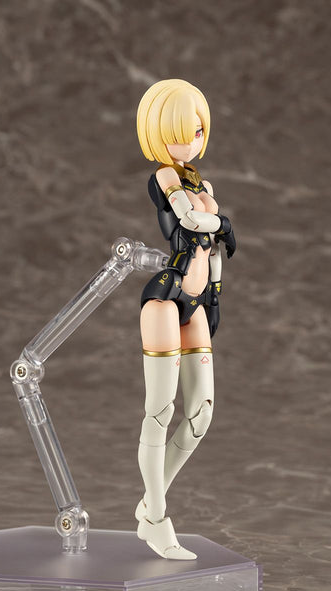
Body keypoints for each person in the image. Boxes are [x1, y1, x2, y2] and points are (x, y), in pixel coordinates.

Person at [135, 79, 235, 559]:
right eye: (178, 134)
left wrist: (215, 295)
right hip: (166, 295)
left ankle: (149, 503)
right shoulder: (164, 178)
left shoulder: (203, 184)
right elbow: (192, 222)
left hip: (196, 300)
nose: (190, 142)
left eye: (196, 131)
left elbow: (212, 251)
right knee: (160, 410)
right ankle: (157, 518)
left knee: (200, 415)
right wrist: (224, 223)